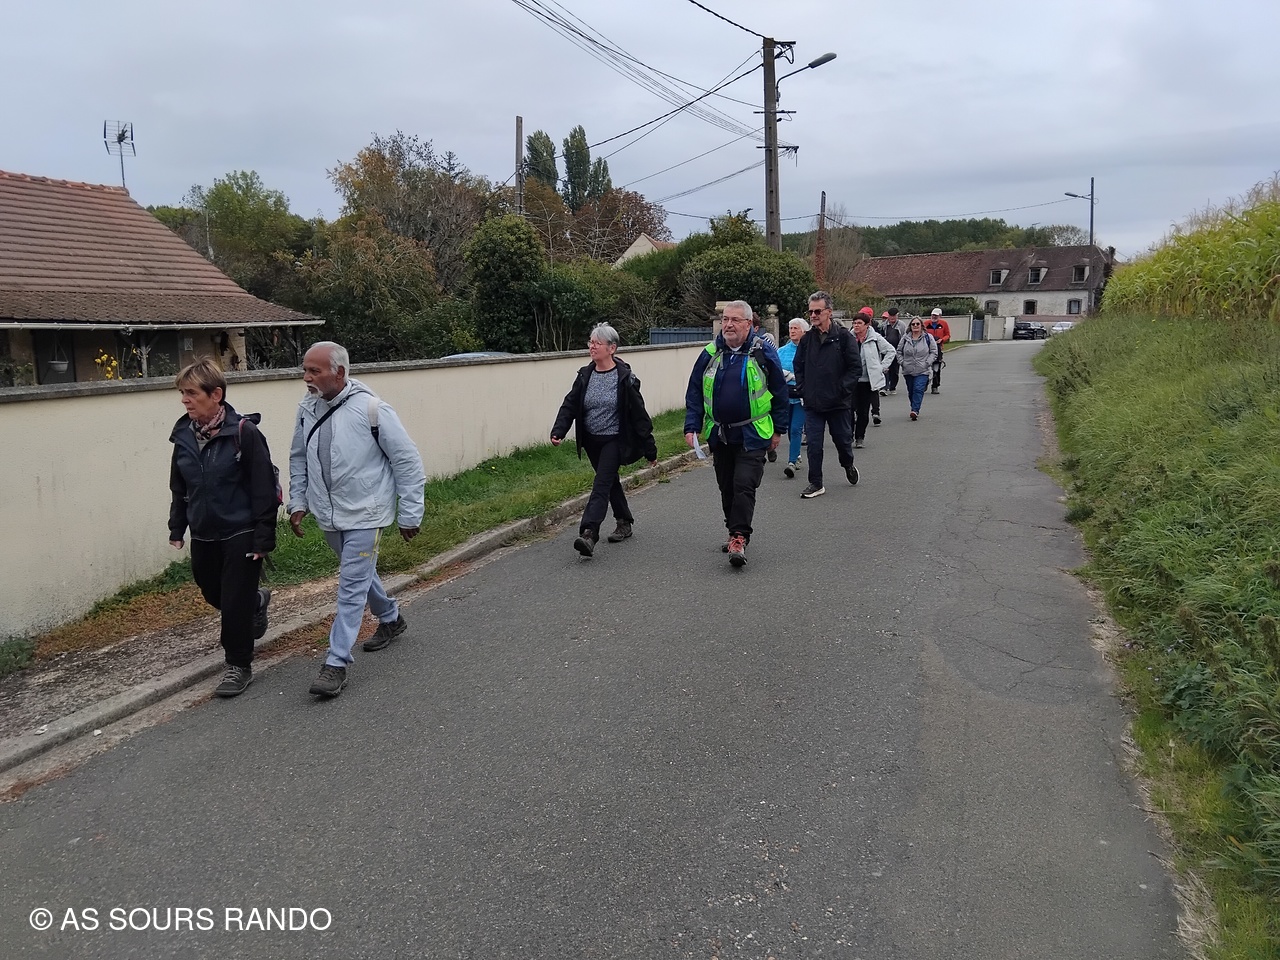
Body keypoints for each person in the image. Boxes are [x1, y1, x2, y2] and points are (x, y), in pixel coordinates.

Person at [288, 341, 426, 698]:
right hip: (329, 514)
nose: (306, 378)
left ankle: (335, 662)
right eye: (305, 370)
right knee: (361, 574)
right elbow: (299, 458)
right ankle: (391, 618)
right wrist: (298, 501)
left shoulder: (372, 409)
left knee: (350, 586)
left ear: (339, 373)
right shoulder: (307, 409)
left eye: (314, 371)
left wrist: (410, 512)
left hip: (367, 513)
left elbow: (407, 461)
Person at [168, 358, 277, 699]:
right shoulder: (184, 436)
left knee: (232, 602)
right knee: (212, 592)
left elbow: (263, 488)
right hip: (204, 532)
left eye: (191, 393)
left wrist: (263, 537)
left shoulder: (244, 433)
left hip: (240, 530)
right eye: (182, 393)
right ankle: (255, 602)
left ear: (215, 394)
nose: (185, 400)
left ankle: (238, 664)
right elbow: (179, 487)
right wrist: (177, 527)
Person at [684, 300, 788, 568]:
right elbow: (694, 390)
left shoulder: (763, 351)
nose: (728, 325)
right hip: (720, 434)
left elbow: (779, 391)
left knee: (744, 484)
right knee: (727, 486)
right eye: (725, 319)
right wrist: (692, 425)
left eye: (735, 320)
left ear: (749, 324)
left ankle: (739, 537)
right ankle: (733, 531)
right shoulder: (710, 352)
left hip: (753, 433)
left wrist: (779, 430)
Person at [550, 323, 659, 558]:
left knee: (601, 484)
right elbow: (570, 404)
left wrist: (650, 449)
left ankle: (589, 533)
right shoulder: (585, 375)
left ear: (612, 348)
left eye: (597, 343)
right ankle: (624, 521)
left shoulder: (624, 378)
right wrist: (559, 430)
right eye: (591, 342)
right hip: (591, 441)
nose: (592, 346)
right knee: (609, 481)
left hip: (614, 440)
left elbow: (639, 415)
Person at [793, 290, 861, 499]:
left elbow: (855, 368)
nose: (813, 315)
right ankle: (816, 483)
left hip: (838, 403)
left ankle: (848, 464)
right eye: (810, 312)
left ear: (829, 312)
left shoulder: (843, 337)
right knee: (813, 444)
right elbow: (798, 365)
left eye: (817, 311)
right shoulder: (807, 340)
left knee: (842, 441)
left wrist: (842, 390)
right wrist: (803, 388)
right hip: (813, 403)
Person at [851, 308, 896, 448]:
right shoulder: (848, 338)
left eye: (859, 323)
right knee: (848, 410)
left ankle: (859, 437)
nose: (856, 325)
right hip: (851, 380)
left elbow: (891, 351)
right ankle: (848, 434)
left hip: (867, 381)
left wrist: (881, 367)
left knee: (863, 411)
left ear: (867, 325)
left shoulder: (875, 338)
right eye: (854, 323)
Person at [776, 317, 808, 478]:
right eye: (791, 328)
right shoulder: (781, 351)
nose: (792, 331)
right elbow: (775, 370)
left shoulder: (810, 350)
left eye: (796, 328)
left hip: (803, 396)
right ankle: (797, 455)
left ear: (804, 331)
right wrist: (787, 375)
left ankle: (792, 462)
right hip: (785, 395)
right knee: (789, 428)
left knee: (796, 429)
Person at [896, 317, 938, 421]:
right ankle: (914, 407)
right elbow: (899, 351)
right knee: (911, 391)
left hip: (923, 370)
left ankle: (915, 410)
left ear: (921, 326)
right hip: (908, 370)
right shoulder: (905, 338)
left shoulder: (928, 337)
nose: (915, 326)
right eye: (913, 324)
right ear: (910, 326)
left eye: (917, 324)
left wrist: (927, 363)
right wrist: (902, 362)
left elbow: (934, 352)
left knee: (918, 389)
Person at [924, 307, 951, 394]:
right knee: (925, 367)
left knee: (936, 368)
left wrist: (942, 340)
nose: (934, 317)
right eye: (932, 315)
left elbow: (947, 335)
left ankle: (935, 386)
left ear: (940, 316)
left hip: (938, 348)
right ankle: (924, 384)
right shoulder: (926, 323)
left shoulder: (944, 324)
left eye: (936, 315)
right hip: (926, 348)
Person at [881, 307, 905, 394]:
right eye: (890, 316)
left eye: (894, 316)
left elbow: (903, 337)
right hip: (886, 350)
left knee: (894, 370)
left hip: (897, 350)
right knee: (885, 368)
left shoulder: (901, 325)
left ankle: (892, 387)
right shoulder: (884, 325)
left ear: (897, 316)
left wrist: (902, 350)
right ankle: (884, 387)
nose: (892, 318)